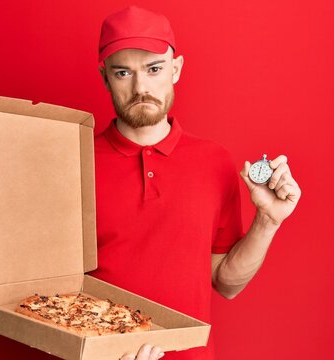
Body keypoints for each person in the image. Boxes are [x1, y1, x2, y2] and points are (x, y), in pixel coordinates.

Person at [90, 6, 301, 360]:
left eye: (154, 69)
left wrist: (268, 220)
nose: (141, 87)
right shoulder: (75, 161)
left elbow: (226, 283)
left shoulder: (214, 162)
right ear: (105, 77)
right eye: (123, 72)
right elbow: (51, 288)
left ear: (176, 69)